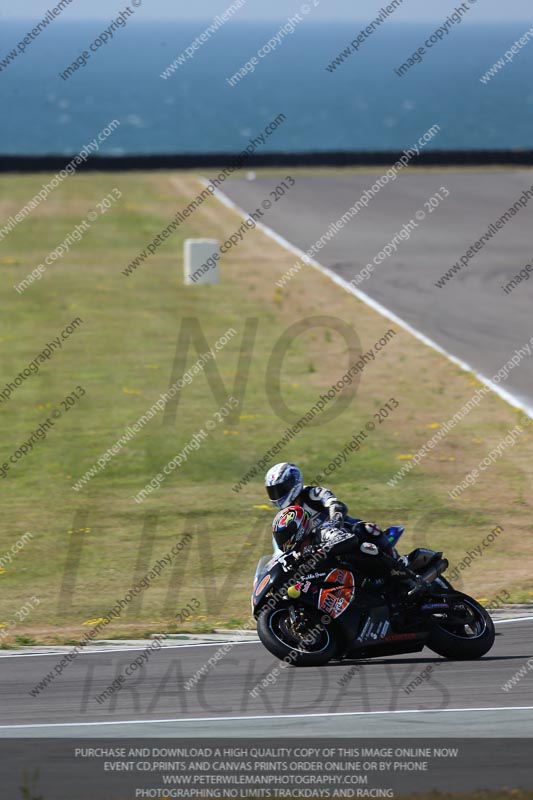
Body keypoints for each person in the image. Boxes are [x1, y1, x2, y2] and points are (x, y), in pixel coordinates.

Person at [265, 463, 357, 554]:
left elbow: (336, 505)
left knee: (363, 529)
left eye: (280, 490)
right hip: (321, 550)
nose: (277, 495)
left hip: (344, 532)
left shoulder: (313, 493)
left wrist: (334, 522)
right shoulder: (284, 518)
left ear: (293, 482)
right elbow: (280, 550)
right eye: (273, 491)